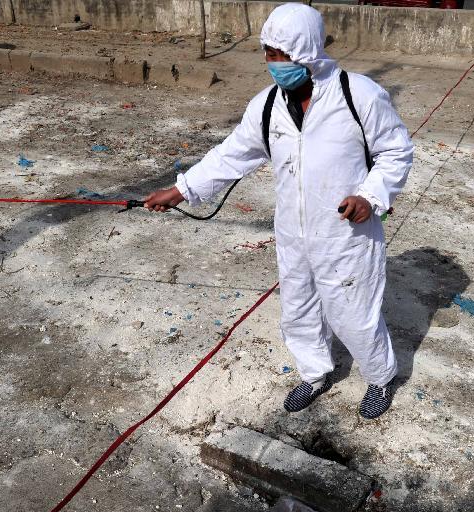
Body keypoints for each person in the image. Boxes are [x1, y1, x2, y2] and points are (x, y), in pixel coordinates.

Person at [144, 3, 413, 419]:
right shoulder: (267, 105)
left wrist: (370, 197)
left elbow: (395, 152)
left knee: (354, 315)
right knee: (299, 310)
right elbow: (230, 155)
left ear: (306, 51)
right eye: (268, 54)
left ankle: (379, 377)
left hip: (346, 234)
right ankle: (314, 374)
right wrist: (180, 190)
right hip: (293, 233)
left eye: (281, 55)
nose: (273, 64)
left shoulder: (357, 95)